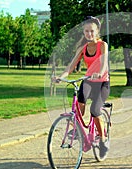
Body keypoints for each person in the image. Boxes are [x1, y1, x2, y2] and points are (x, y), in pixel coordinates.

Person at [55, 16, 110, 159]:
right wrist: (61, 77)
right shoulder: (83, 48)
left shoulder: (102, 45)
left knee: (95, 110)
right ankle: (79, 131)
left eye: (92, 31)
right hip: (88, 81)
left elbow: (103, 64)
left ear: (97, 31)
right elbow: (71, 66)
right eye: (86, 31)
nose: (89, 34)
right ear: (84, 32)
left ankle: (103, 140)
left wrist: (100, 73)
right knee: (79, 104)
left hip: (102, 82)